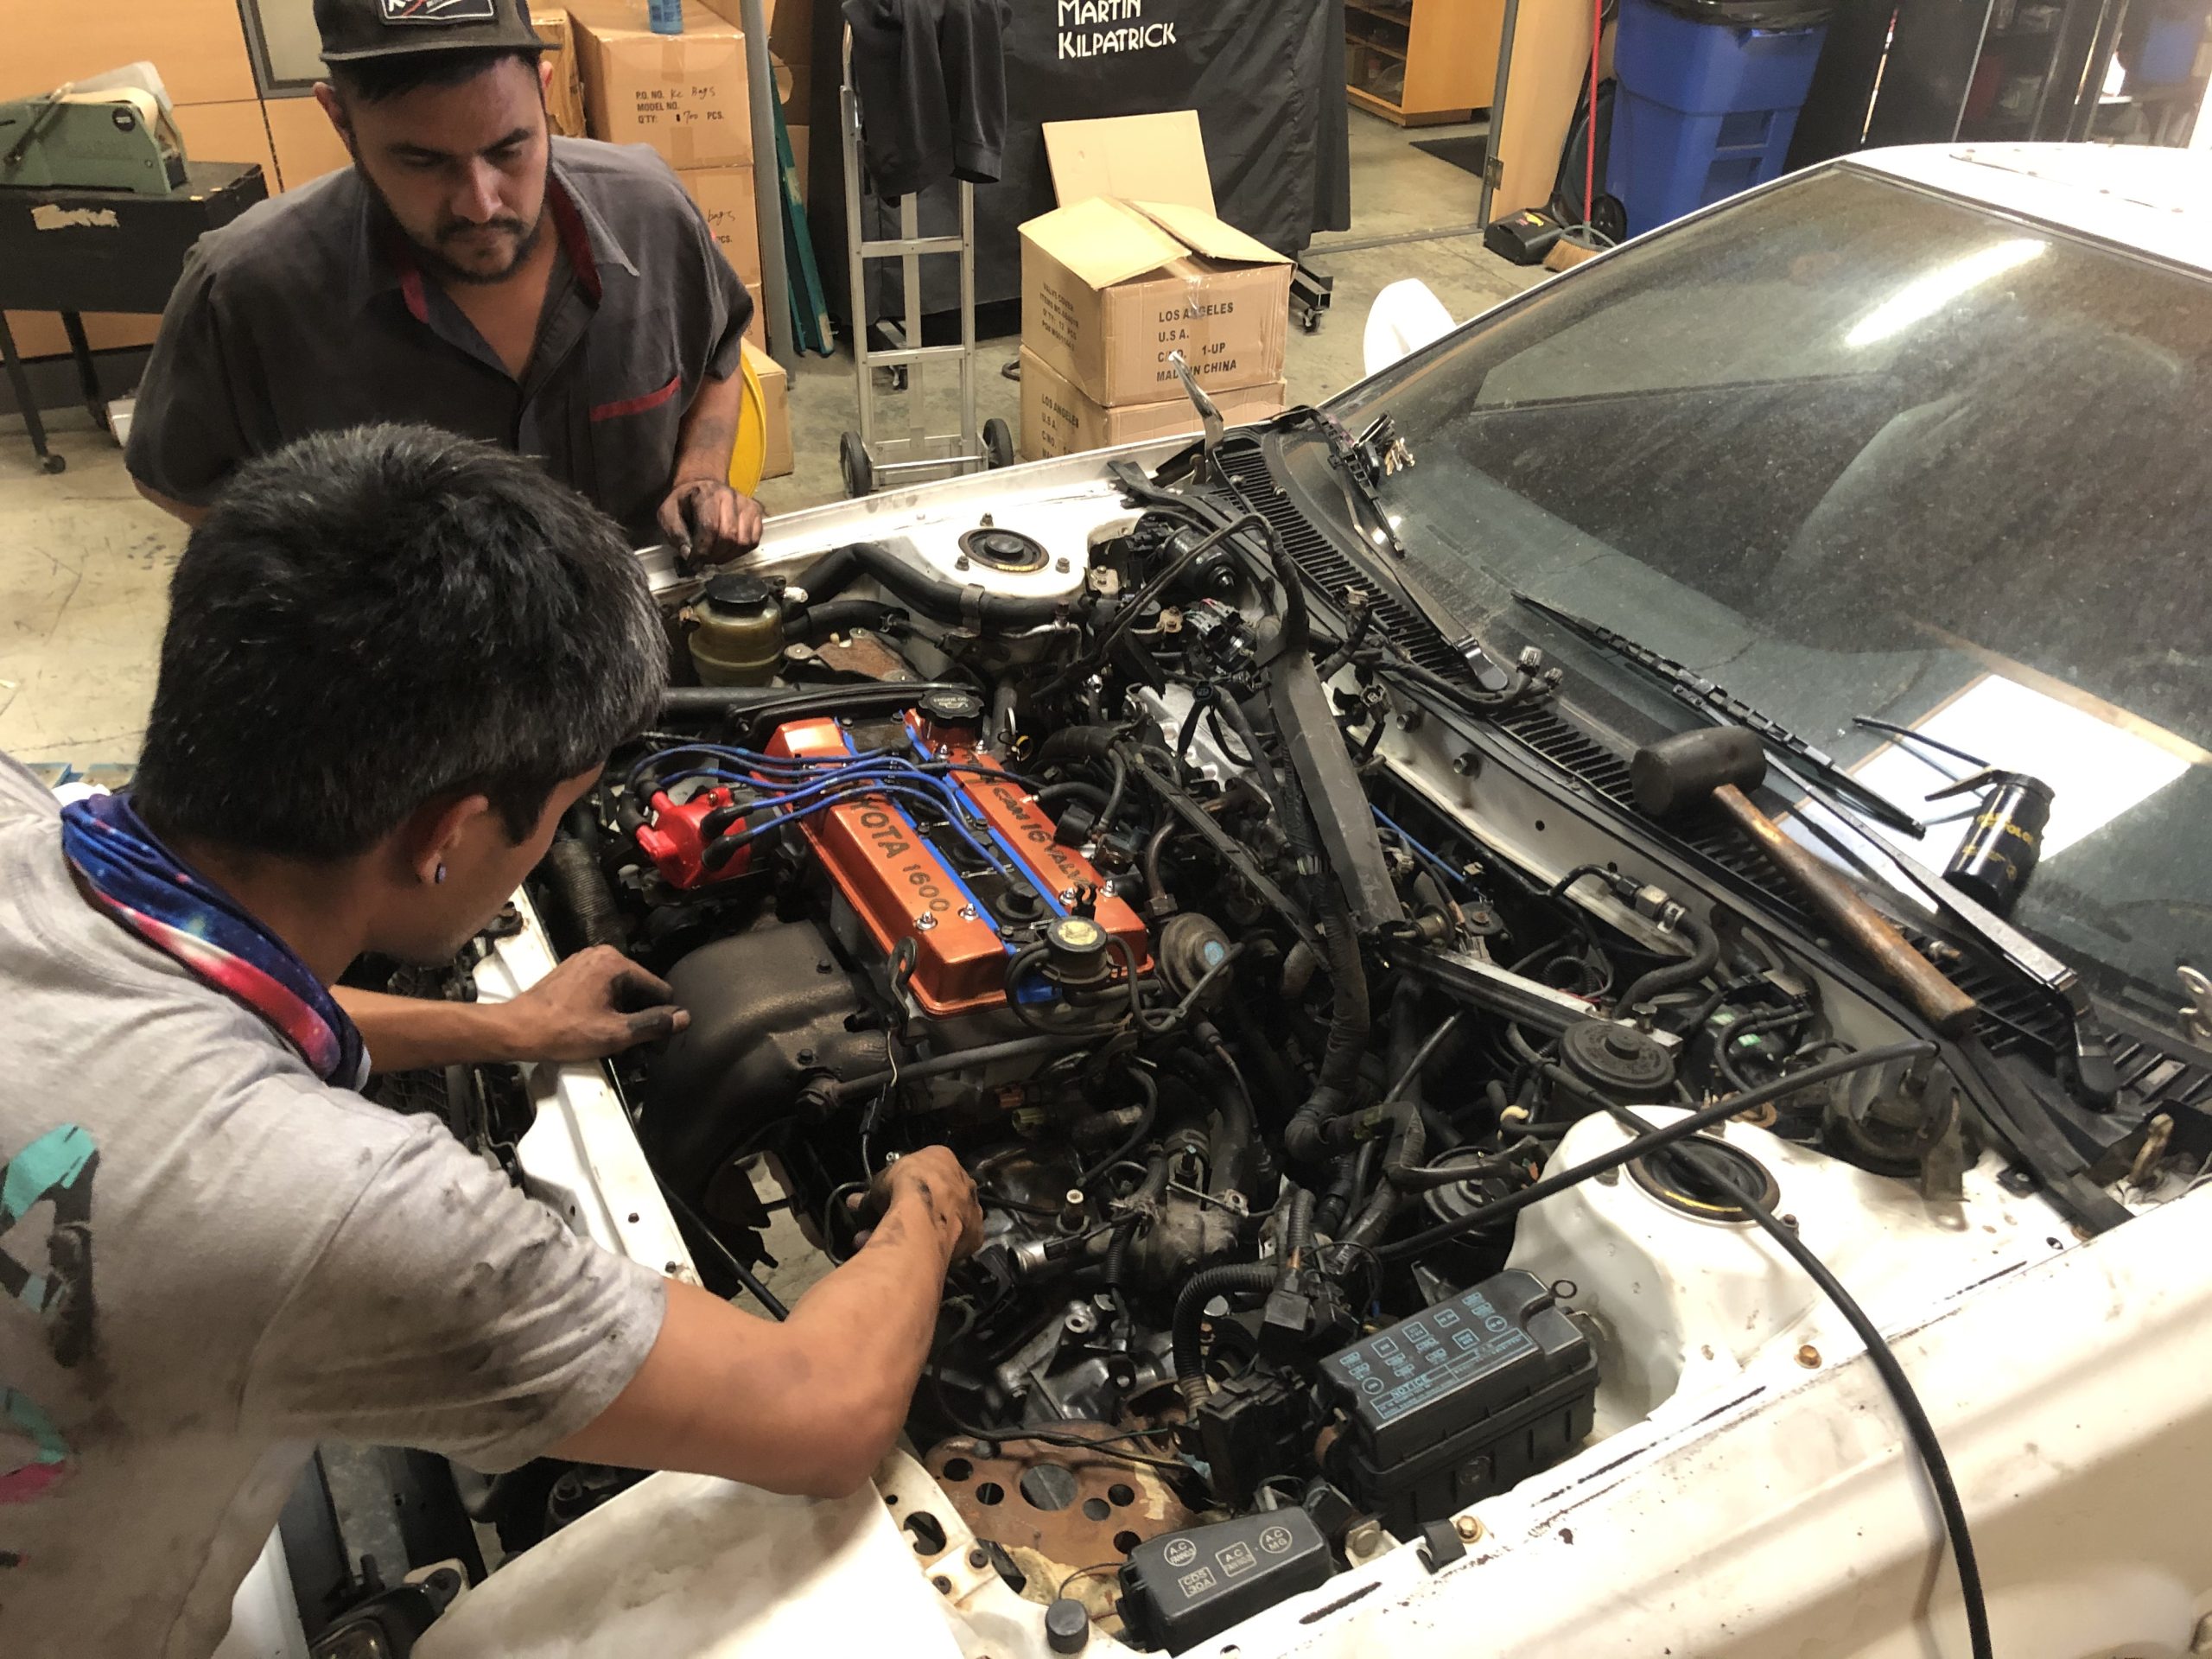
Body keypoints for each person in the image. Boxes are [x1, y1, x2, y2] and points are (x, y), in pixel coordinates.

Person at [0, 425, 982, 1659]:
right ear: (444, 836)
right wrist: (930, 1210)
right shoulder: (337, 1210)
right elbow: (826, 1412)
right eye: (561, 813)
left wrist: (504, 1027)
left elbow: (171, 1021)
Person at [124, 0, 764, 561]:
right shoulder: (247, 290)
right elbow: (173, 477)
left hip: (638, 637)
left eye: (509, 148)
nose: (480, 204)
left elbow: (718, 360)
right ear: (341, 121)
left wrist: (698, 477)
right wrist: (332, 576)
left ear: (545, 92)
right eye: (423, 161)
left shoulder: (652, 217)